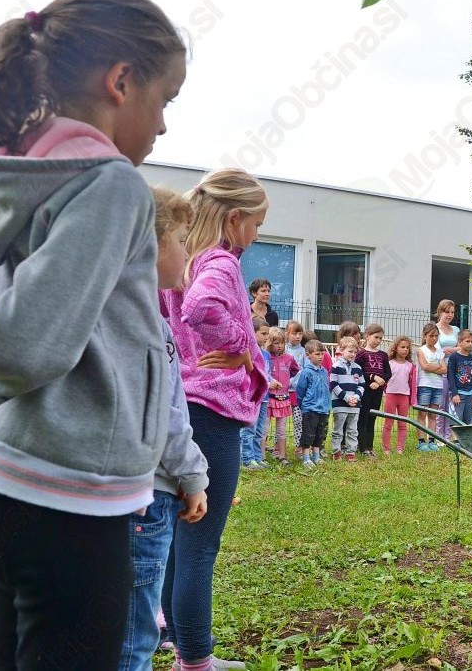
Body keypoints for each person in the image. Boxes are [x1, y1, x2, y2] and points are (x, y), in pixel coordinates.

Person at [0, 0, 186, 666]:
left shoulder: (17, 184)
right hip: (68, 495)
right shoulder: (111, 188)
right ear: (121, 81)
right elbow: (24, 347)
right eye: (165, 98)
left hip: (8, 479)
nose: (164, 124)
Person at [160, 169, 269, 671]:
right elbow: (202, 308)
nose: (258, 233)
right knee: (201, 544)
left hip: (180, 406)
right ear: (234, 217)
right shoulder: (220, 263)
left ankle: (170, 635)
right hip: (214, 411)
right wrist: (243, 350)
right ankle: (197, 660)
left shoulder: (181, 260)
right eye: (257, 222)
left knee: (179, 537)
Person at [119, 187, 210, 671]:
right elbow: (166, 415)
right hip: (146, 495)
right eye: (180, 239)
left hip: (117, 497)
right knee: (134, 636)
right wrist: (193, 476)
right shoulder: (145, 325)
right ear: (148, 247)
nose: (189, 252)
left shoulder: (112, 313)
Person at [240, 317, 273, 469]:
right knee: (249, 429)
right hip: (252, 396)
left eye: (267, 334)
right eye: (263, 334)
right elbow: (250, 373)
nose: (267, 337)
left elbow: (266, 373)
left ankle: (257, 457)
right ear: (252, 333)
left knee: (260, 430)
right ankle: (247, 459)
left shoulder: (266, 355)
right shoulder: (249, 353)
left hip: (265, 397)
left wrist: (272, 381)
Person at [356, 323, 392, 457]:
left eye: (381, 338)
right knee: (363, 418)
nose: (378, 341)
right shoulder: (361, 354)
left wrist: (379, 383)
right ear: (367, 336)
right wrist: (372, 378)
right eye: (376, 337)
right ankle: (362, 447)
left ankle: (370, 447)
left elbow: (388, 373)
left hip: (377, 391)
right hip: (365, 391)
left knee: (372, 418)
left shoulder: (383, 355)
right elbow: (359, 372)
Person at [266, 327, 300, 465]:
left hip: (283, 398)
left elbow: (295, 370)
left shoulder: (289, 358)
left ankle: (282, 456)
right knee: (264, 428)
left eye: (281, 343)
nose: (279, 346)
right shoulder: (266, 357)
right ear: (269, 343)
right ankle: (261, 456)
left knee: (281, 429)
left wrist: (285, 381)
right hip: (268, 398)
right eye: (276, 343)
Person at [296, 340, 331, 466]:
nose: (321, 357)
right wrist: (304, 405)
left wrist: (327, 405)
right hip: (310, 409)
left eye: (322, 354)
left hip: (324, 408)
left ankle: (316, 456)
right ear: (308, 355)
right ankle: (306, 457)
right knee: (308, 433)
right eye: (317, 354)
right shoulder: (306, 372)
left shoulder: (324, 372)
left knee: (319, 434)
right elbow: (300, 390)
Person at [330, 336, 364, 462]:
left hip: (355, 405)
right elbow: (333, 384)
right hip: (340, 404)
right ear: (342, 350)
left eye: (355, 352)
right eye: (350, 351)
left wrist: (355, 397)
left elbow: (362, 385)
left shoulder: (358, 368)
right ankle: (336, 452)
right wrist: (346, 397)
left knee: (353, 430)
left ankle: (351, 452)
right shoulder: (336, 366)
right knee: (338, 430)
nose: (353, 354)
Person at [382, 336, 417, 454]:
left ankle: (400, 448)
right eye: (403, 347)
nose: (405, 349)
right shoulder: (389, 363)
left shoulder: (410, 366)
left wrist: (412, 400)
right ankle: (386, 449)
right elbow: (385, 382)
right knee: (388, 424)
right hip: (391, 396)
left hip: (404, 397)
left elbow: (411, 384)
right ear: (396, 348)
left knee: (402, 424)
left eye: (407, 348)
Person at [416, 322, 445, 451]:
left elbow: (445, 369)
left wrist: (432, 367)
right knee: (422, 414)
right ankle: (421, 441)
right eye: (431, 335)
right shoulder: (421, 350)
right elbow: (424, 367)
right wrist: (437, 367)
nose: (434, 338)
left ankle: (432, 440)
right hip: (425, 385)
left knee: (433, 415)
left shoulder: (440, 352)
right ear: (424, 336)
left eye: (436, 336)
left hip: (438, 386)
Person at [435, 300, 461, 437]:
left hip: (455, 370)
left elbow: (461, 348)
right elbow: (437, 351)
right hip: (440, 370)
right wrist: (447, 350)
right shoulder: (435, 329)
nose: (450, 315)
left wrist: (448, 349)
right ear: (440, 312)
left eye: (452, 312)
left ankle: (448, 435)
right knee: (441, 404)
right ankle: (438, 435)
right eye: (447, 312)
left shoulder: (456, 330)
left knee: (452, 405)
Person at [447, 330, 472, 424]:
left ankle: (464, 439)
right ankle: (455, 439)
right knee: (456, 422)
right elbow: (450, 376)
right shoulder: (454, 357)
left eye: (471, 341)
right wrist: (454, 393)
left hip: (470, 394)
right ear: (460, 342)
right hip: (458, 394)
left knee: (468, 422)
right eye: (467, 341)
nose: (470, 344)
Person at [283, 320, 307, 450]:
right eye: (294, 333)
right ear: (287, 334)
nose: (298, 336)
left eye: (300, 333)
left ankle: (299, 447)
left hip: (297, 392)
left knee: (298, 421)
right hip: (283, 391)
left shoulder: (304, 352)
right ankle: (278, 448)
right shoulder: (283, 349)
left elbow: (305, 370)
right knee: (282, 421)